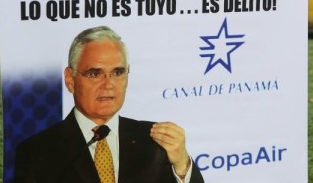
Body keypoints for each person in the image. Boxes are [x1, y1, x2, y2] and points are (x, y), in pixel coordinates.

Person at [14, 25, 204, 183]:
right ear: (70, 80)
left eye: (117, 72)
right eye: (95, 74)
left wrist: (182, 166)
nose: (108, 84)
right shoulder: (36, 152)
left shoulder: (154, 142)